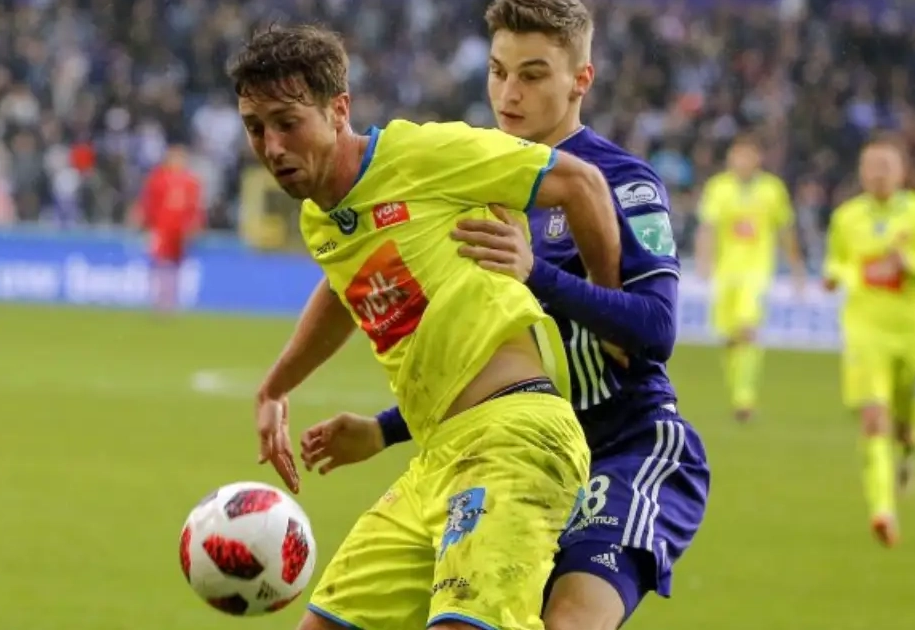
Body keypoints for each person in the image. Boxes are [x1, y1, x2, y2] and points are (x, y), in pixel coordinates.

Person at [300, 1, 709, 628]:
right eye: (498, 72)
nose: (509, 94)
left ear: (580, 80)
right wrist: (383, 431)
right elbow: (488, 357)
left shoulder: (622, 182)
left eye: (533, 75)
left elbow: (655, 332)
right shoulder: (470, 176)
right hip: (510, 452)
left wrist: (538, 274)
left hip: (624, 446)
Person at [230, 22, 626, 630]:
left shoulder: (421, 154)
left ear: (339, 111)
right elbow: (344, 285)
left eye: (288, 122)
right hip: (435, 459)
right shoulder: (322, 218)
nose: (272, 146)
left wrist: (607, 310)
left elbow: (582, 183)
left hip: (513, 440)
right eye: (256, 128)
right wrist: (275, 387)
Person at [822, 136, 915, 547]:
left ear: (902, 171)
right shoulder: (847, 217)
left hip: (913, 335)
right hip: (865, 332)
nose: (877, 173)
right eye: (870, 166)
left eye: (885, 165)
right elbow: (837, 261)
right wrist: (836, 275)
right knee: (873, 418)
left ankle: (909, 451)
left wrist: (912, 264)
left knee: (904, 427)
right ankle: (882, 511)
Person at [695, 134, 806, 422]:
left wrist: (796, 268)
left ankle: (745, 398)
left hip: (757, 272)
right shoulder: (718, 187)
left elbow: (785, 230)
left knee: (747, 328)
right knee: (728, 337)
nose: (741, 161)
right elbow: (707, 227)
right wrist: (703, 261)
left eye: (747, 155)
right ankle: (737, 391)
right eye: (736, 155)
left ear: (758, 159)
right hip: (725, 273)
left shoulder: (772, 189)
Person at [131, 145, 204, 312]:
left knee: (175, 266)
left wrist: (194, 226)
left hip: (180, 232)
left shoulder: (191, 182)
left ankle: (171, 300)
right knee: (160, 263)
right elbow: (148, 203)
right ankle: (158, 300)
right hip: (162, 229)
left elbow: (195, 208)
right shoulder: (158, 179)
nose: (179, 162)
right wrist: (143, 222)